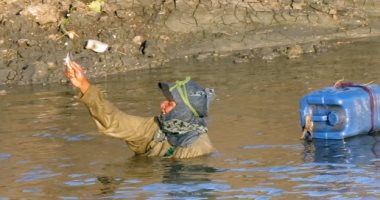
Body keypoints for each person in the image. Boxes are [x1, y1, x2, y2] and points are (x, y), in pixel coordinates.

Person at [65, 60, 216, 158]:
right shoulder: (156, 126)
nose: (162, 105)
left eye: (170, 102)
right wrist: (84, 86)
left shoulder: (197, 149)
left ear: (183, 110)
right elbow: (115, 122)